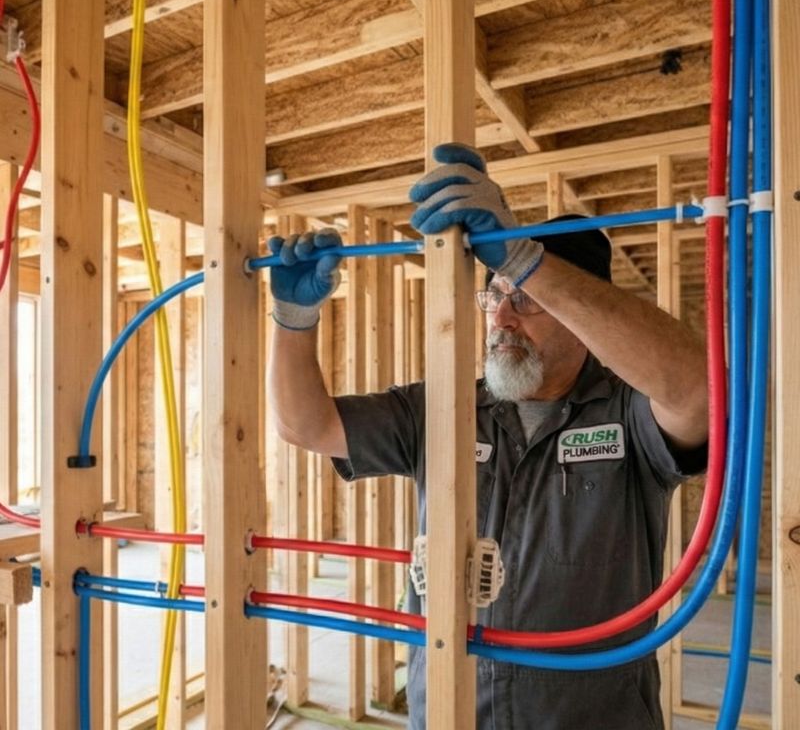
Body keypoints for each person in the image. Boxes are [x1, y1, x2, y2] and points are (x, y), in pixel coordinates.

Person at [267, 143, 708, 730]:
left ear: (579, 315)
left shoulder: (629, 413)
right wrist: (293, 322)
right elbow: (305, 424)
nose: (501, 318)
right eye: (495, 295)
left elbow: (698, 391)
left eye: (524, 298)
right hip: (452, 712)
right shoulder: (444, 407)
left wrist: (530, 261)